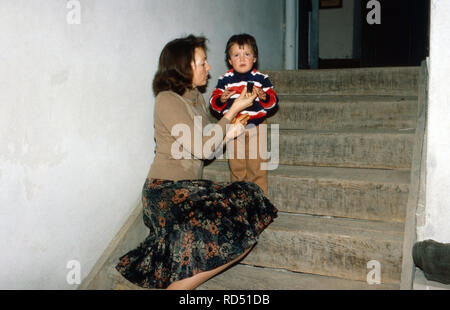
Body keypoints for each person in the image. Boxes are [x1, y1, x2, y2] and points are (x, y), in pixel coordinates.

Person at [115, 35, 278, 290]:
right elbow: (203, 147)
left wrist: (229, 131)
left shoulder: (195, 97)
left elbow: (208, 147)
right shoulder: (167, 100)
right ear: (184, 67)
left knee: (250, 199)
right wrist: (233, 110)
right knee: (222, 223)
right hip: (165, 191)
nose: (209, 67)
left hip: (191, 187)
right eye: (202, 62)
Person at [209, 34, 279, 196]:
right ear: (229, 60)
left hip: (257, 126)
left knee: (257, 166)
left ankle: (260, 202)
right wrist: (221, 98)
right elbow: (214, 104)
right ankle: (239, 200)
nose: (242, 59)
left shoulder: (261, 79)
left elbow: (274, 102)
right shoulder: (224, 80)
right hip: (234, 128)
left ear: (254, 58)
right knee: (237, 166)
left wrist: (265, 97)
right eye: (236, 55)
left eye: (247, 54)